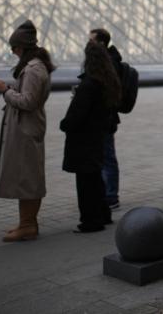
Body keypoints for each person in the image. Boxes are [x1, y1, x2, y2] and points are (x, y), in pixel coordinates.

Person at [0, 20, 55, 242]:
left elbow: (28, 102)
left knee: (28, 179)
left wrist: (5, 90)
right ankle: (26, 223)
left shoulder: (34, 69)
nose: (12, 51)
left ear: (23, 47)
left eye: (14, 47)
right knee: (24, 177)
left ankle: (28, 225)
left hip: (26, 130)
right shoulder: (33, 67)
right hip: (26, 128)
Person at [60, 42, 121, 233]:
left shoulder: (88, 84)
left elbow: (77, 115)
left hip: (83, 140)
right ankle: (103, 215)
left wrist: (64, 124)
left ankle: (90, 221)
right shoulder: (107, 82)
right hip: (97, 137)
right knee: (95, 179)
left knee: (85, 183)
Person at [88, 27, 124, 210]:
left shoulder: (109, 63)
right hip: (106, 116)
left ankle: (111, 196)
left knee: (108, 157)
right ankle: (107, 193)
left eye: (91, 41)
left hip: (106, 116)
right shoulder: (109, 61)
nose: (88, 44)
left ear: (101, 43)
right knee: (104, 156)